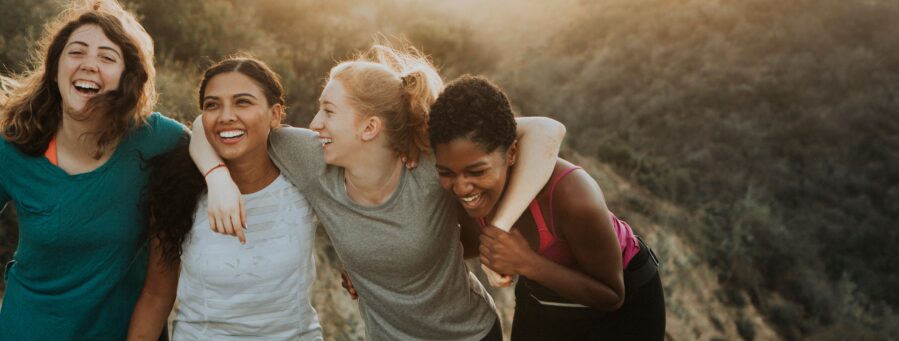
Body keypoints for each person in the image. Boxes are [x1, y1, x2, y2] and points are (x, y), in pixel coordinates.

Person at [191, 44, 565, 340]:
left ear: (369, 127)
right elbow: (206, 123)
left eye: (328, 111)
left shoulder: (430, 162)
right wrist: (217, 177)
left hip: (469, 334)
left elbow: (547, 130)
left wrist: (497, 230)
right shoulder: (310, 157)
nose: (314, 123)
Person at [0, 1, 187, 339]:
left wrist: (219, 179)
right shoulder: (13, 144)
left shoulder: (158, 140)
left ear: (127, 76)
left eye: (107, 57)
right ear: (55, 67)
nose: (89, 65)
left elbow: (208, 135)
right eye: (77, 52)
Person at [429, 76, 666, 340]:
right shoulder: (464, 196)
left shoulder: (573, 196)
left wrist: (525, 262)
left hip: (623, 300)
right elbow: (457, 246)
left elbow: (612, 295)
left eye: (477, 171)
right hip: (544, 291)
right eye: (447, 172)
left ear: (511, 153)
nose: (461, 188)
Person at [126, 56, 323, 340]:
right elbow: (157, 296)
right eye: (212, 105)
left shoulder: (303, 176)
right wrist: (216, 176)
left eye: (243, 102)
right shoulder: (177, 189)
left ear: (275, 114)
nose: (226, 116)